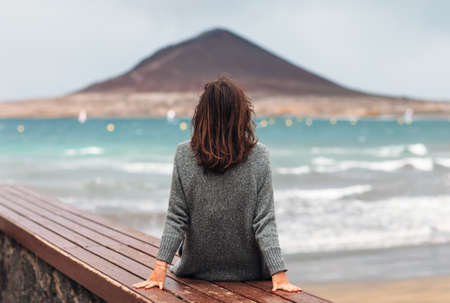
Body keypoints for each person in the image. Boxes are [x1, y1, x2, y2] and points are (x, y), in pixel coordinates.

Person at [133, 75, 302, 293]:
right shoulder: (260, 156)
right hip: (249, 271)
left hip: (196, 269)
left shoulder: (184, 154)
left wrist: (159, 268)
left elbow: (177, 217)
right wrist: (278, 275)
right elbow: (264, 221)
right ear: (242, 114)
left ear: (202, 115)